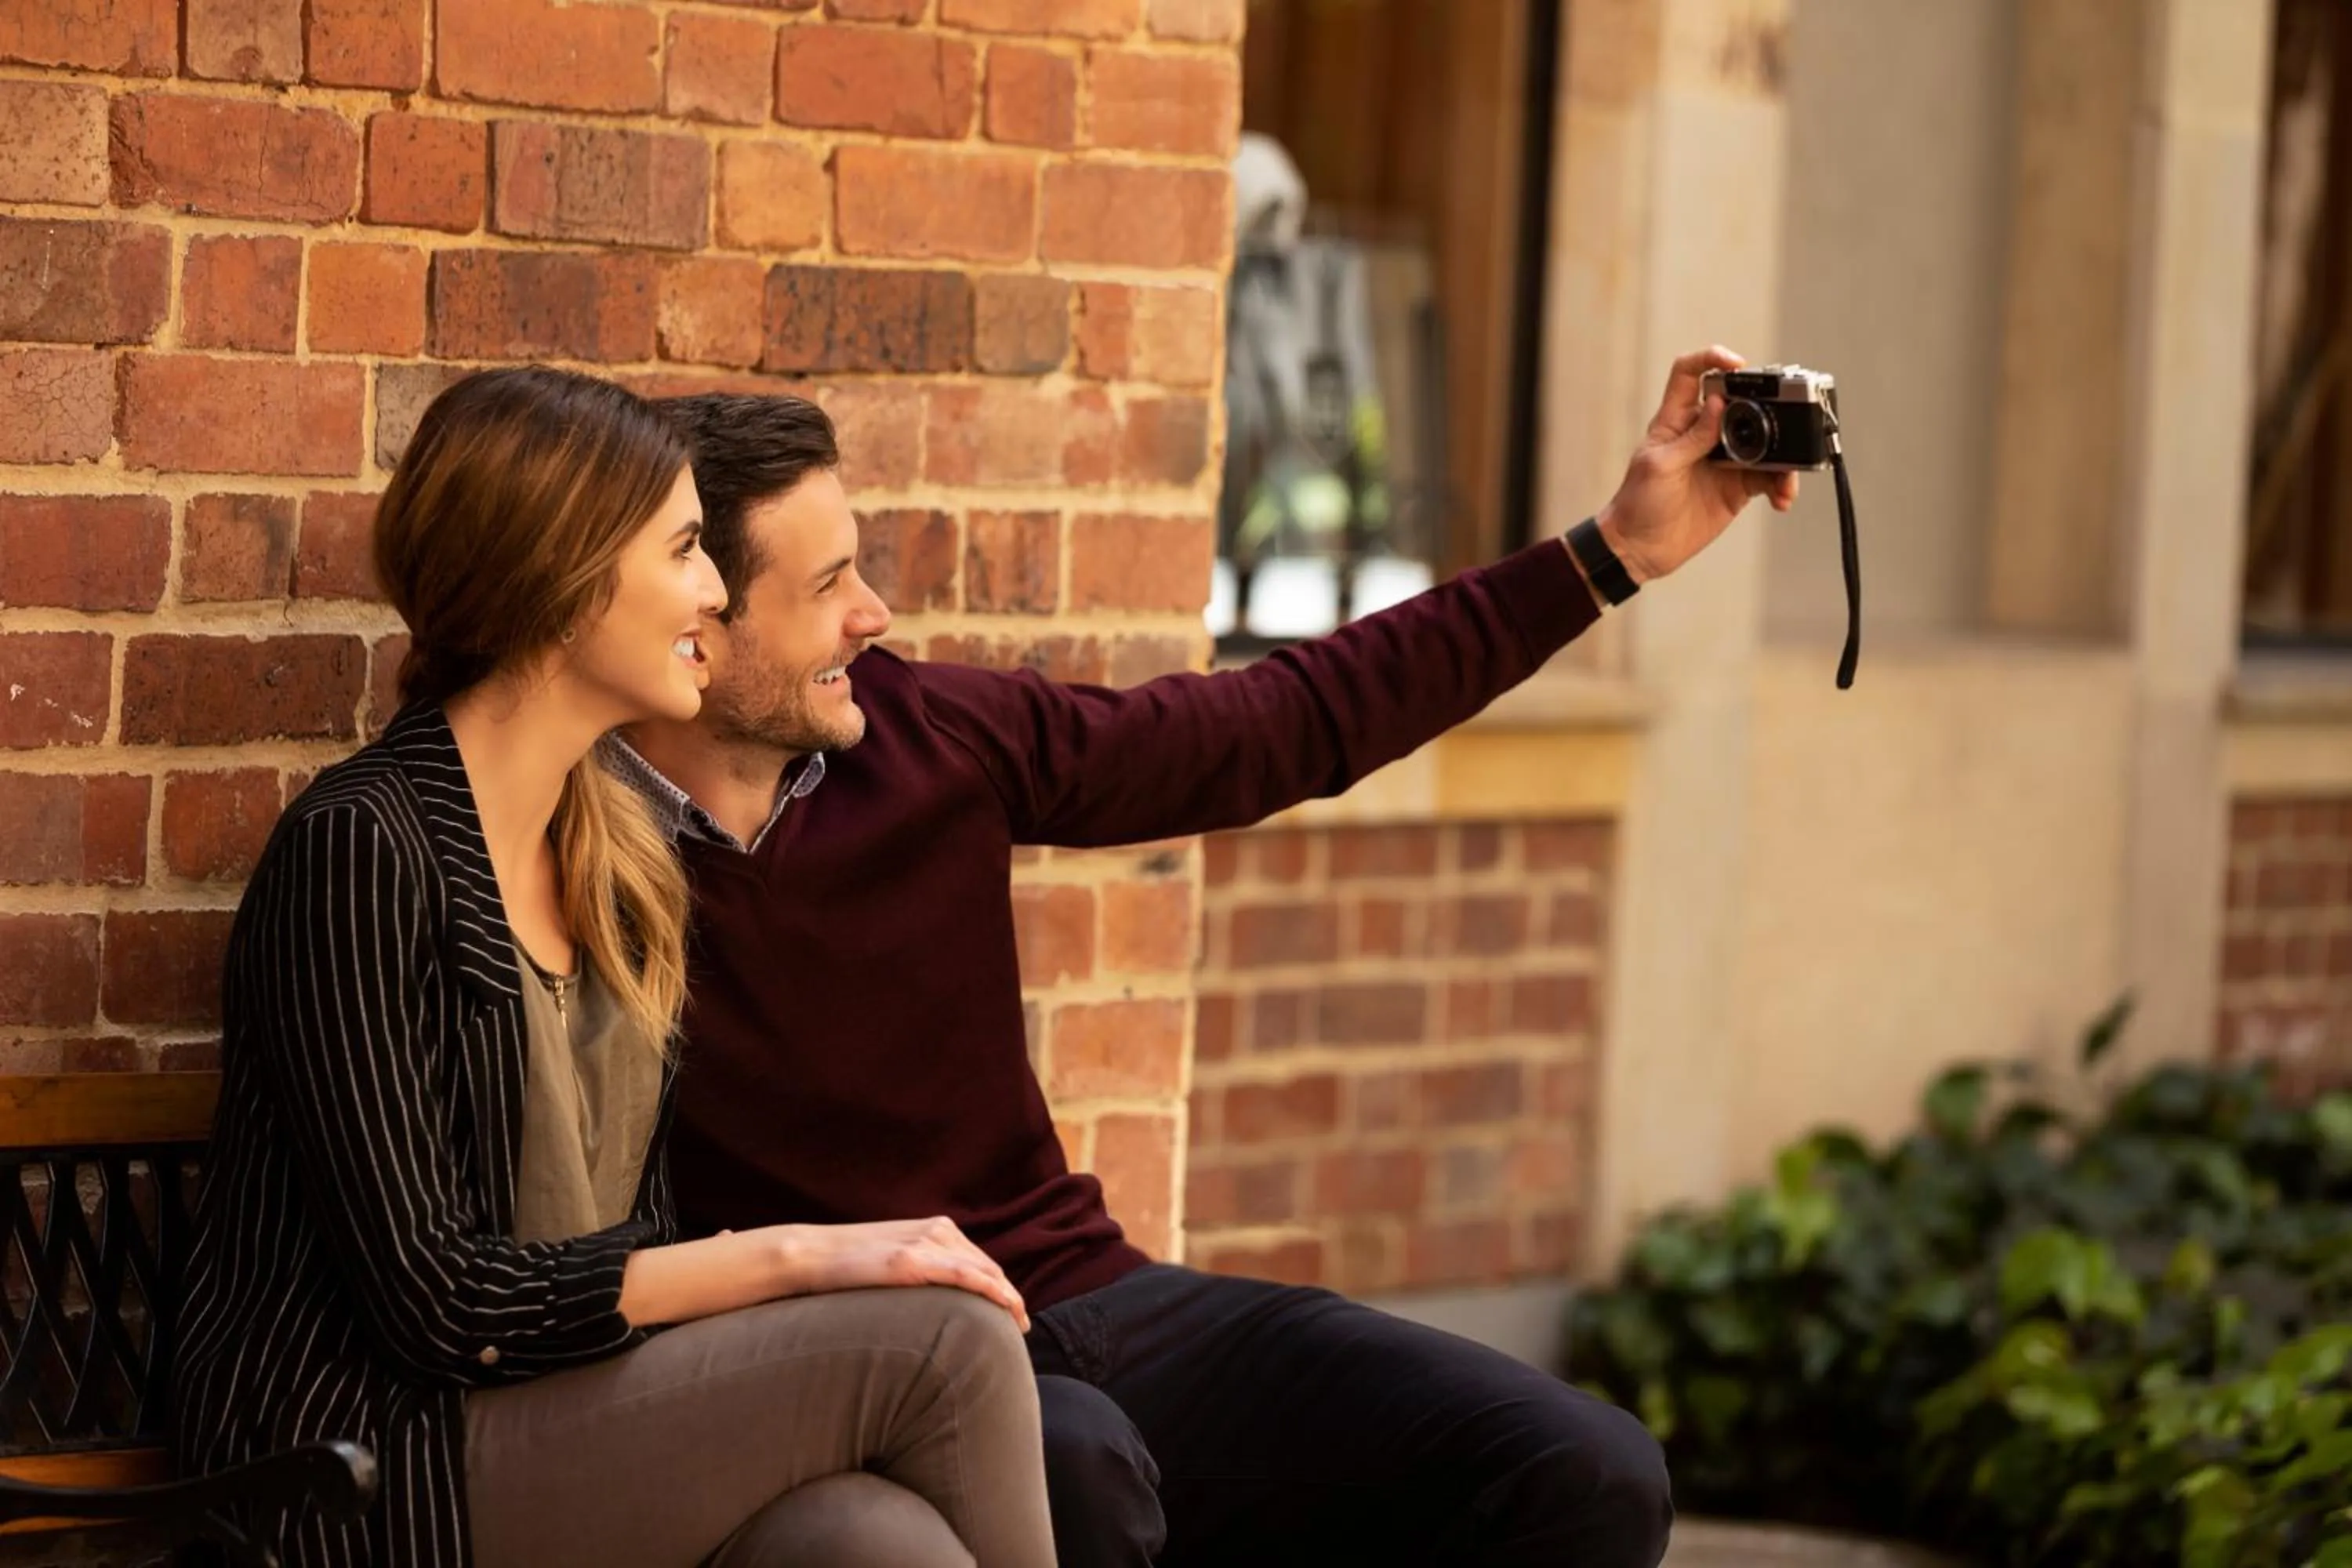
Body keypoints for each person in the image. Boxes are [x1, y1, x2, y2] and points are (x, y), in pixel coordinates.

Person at [615, 347, 1799, 1568]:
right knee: (1076, 1462)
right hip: (859, 1371)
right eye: (829, 585)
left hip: (1084, 1296)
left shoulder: (931, 733)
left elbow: (1283, 723)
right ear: (701, 624)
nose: (874, 612)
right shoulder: (574, 861)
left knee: (1582, 1468)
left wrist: (1613, 554)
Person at [171, 368, 1058, 1568]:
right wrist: (803, 1254)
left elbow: (632, 1229)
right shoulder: (363, 852)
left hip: (566, 1422)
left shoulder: (617, 864)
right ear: (571, 575)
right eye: (689, 549)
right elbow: (440, 1306)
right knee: (947, 1342)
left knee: (870, 1539)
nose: (713, 592)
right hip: (368, 1473)